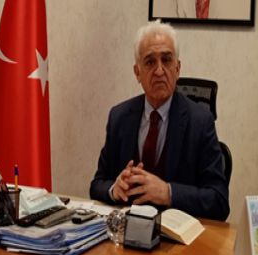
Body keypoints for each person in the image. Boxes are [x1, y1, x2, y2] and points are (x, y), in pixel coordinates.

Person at [89, 20, 229, 221]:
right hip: (129, 231)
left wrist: (168, 192)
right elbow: (97, 185)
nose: (159, 71)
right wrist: (115, 189)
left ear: (177, 68)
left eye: (166, 60)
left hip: (178, 235)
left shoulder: (200, 122)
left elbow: (219, 201)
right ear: (137, 72)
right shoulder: (119, 117)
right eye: (150, 62)